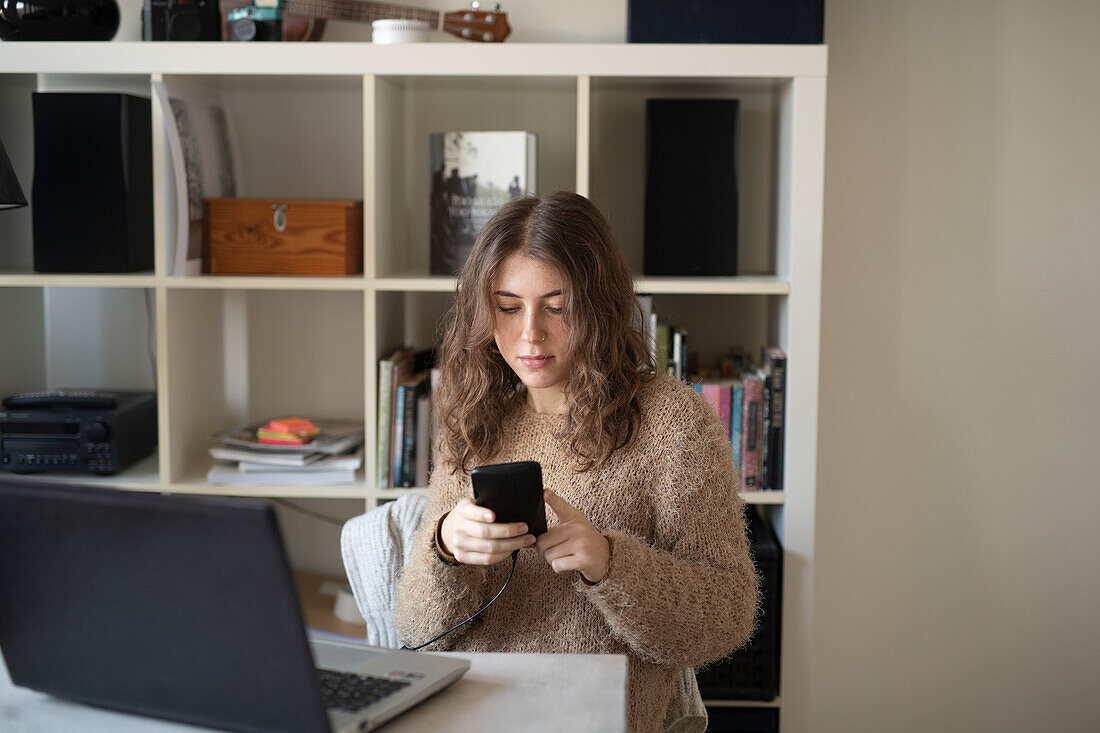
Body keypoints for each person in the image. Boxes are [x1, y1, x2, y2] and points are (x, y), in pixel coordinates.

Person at [393, 191, 759, 733]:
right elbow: (414, 628)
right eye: (508, 307)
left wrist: (611, 563)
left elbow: (728, 614)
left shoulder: (672, 423)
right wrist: (446, 548)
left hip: (594, 717)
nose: (530, 333)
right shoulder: (475, 416)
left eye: (558, 307)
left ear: (600, 305)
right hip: (470, 714)